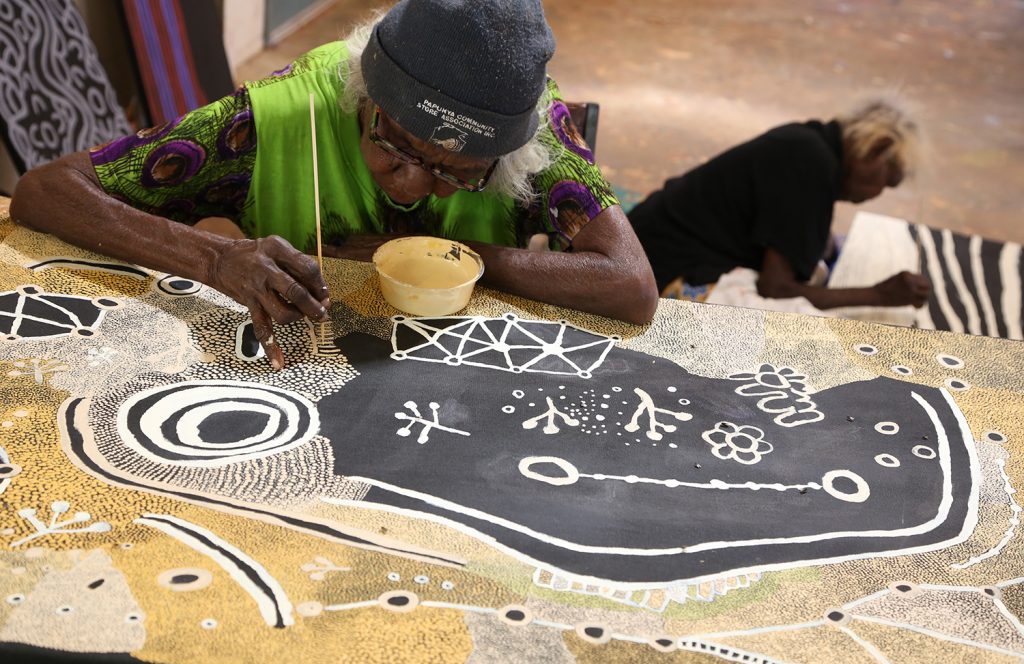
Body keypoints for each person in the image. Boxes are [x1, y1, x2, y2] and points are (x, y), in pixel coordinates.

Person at [10, 0, 658, 370]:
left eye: (459, 176)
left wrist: (458, 264)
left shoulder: (537, 135)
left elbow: (631, 286)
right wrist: (214, 256)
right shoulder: (276, 116)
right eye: (396, 149)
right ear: (364, 98)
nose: (416, 188)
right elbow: (47, 189)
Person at [628, 98, 931, 310]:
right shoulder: (810, 162)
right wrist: (878, 295)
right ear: (874, 149)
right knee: (806, 334)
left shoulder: (810, 145)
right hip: (655, 272)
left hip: (645, 245)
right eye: (885, 179)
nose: (877, 192)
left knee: (819, 266)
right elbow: (776, 289)